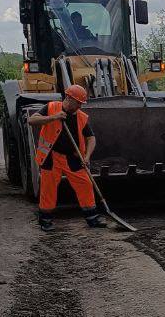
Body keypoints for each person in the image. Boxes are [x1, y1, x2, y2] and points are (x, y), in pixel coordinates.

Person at [27, 84, 107, 233]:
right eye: (78, 103)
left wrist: (87, 156)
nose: (79, 107)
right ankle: (45, 220)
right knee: (49, 189)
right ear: (68, 98)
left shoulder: (81, 117)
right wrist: (54, 117)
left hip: (72, 157)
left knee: (85, 184)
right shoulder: (51, 107)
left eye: (81, 104)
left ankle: (92, 218)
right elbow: (32, 120)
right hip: (51, 157)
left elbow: (91, 138)